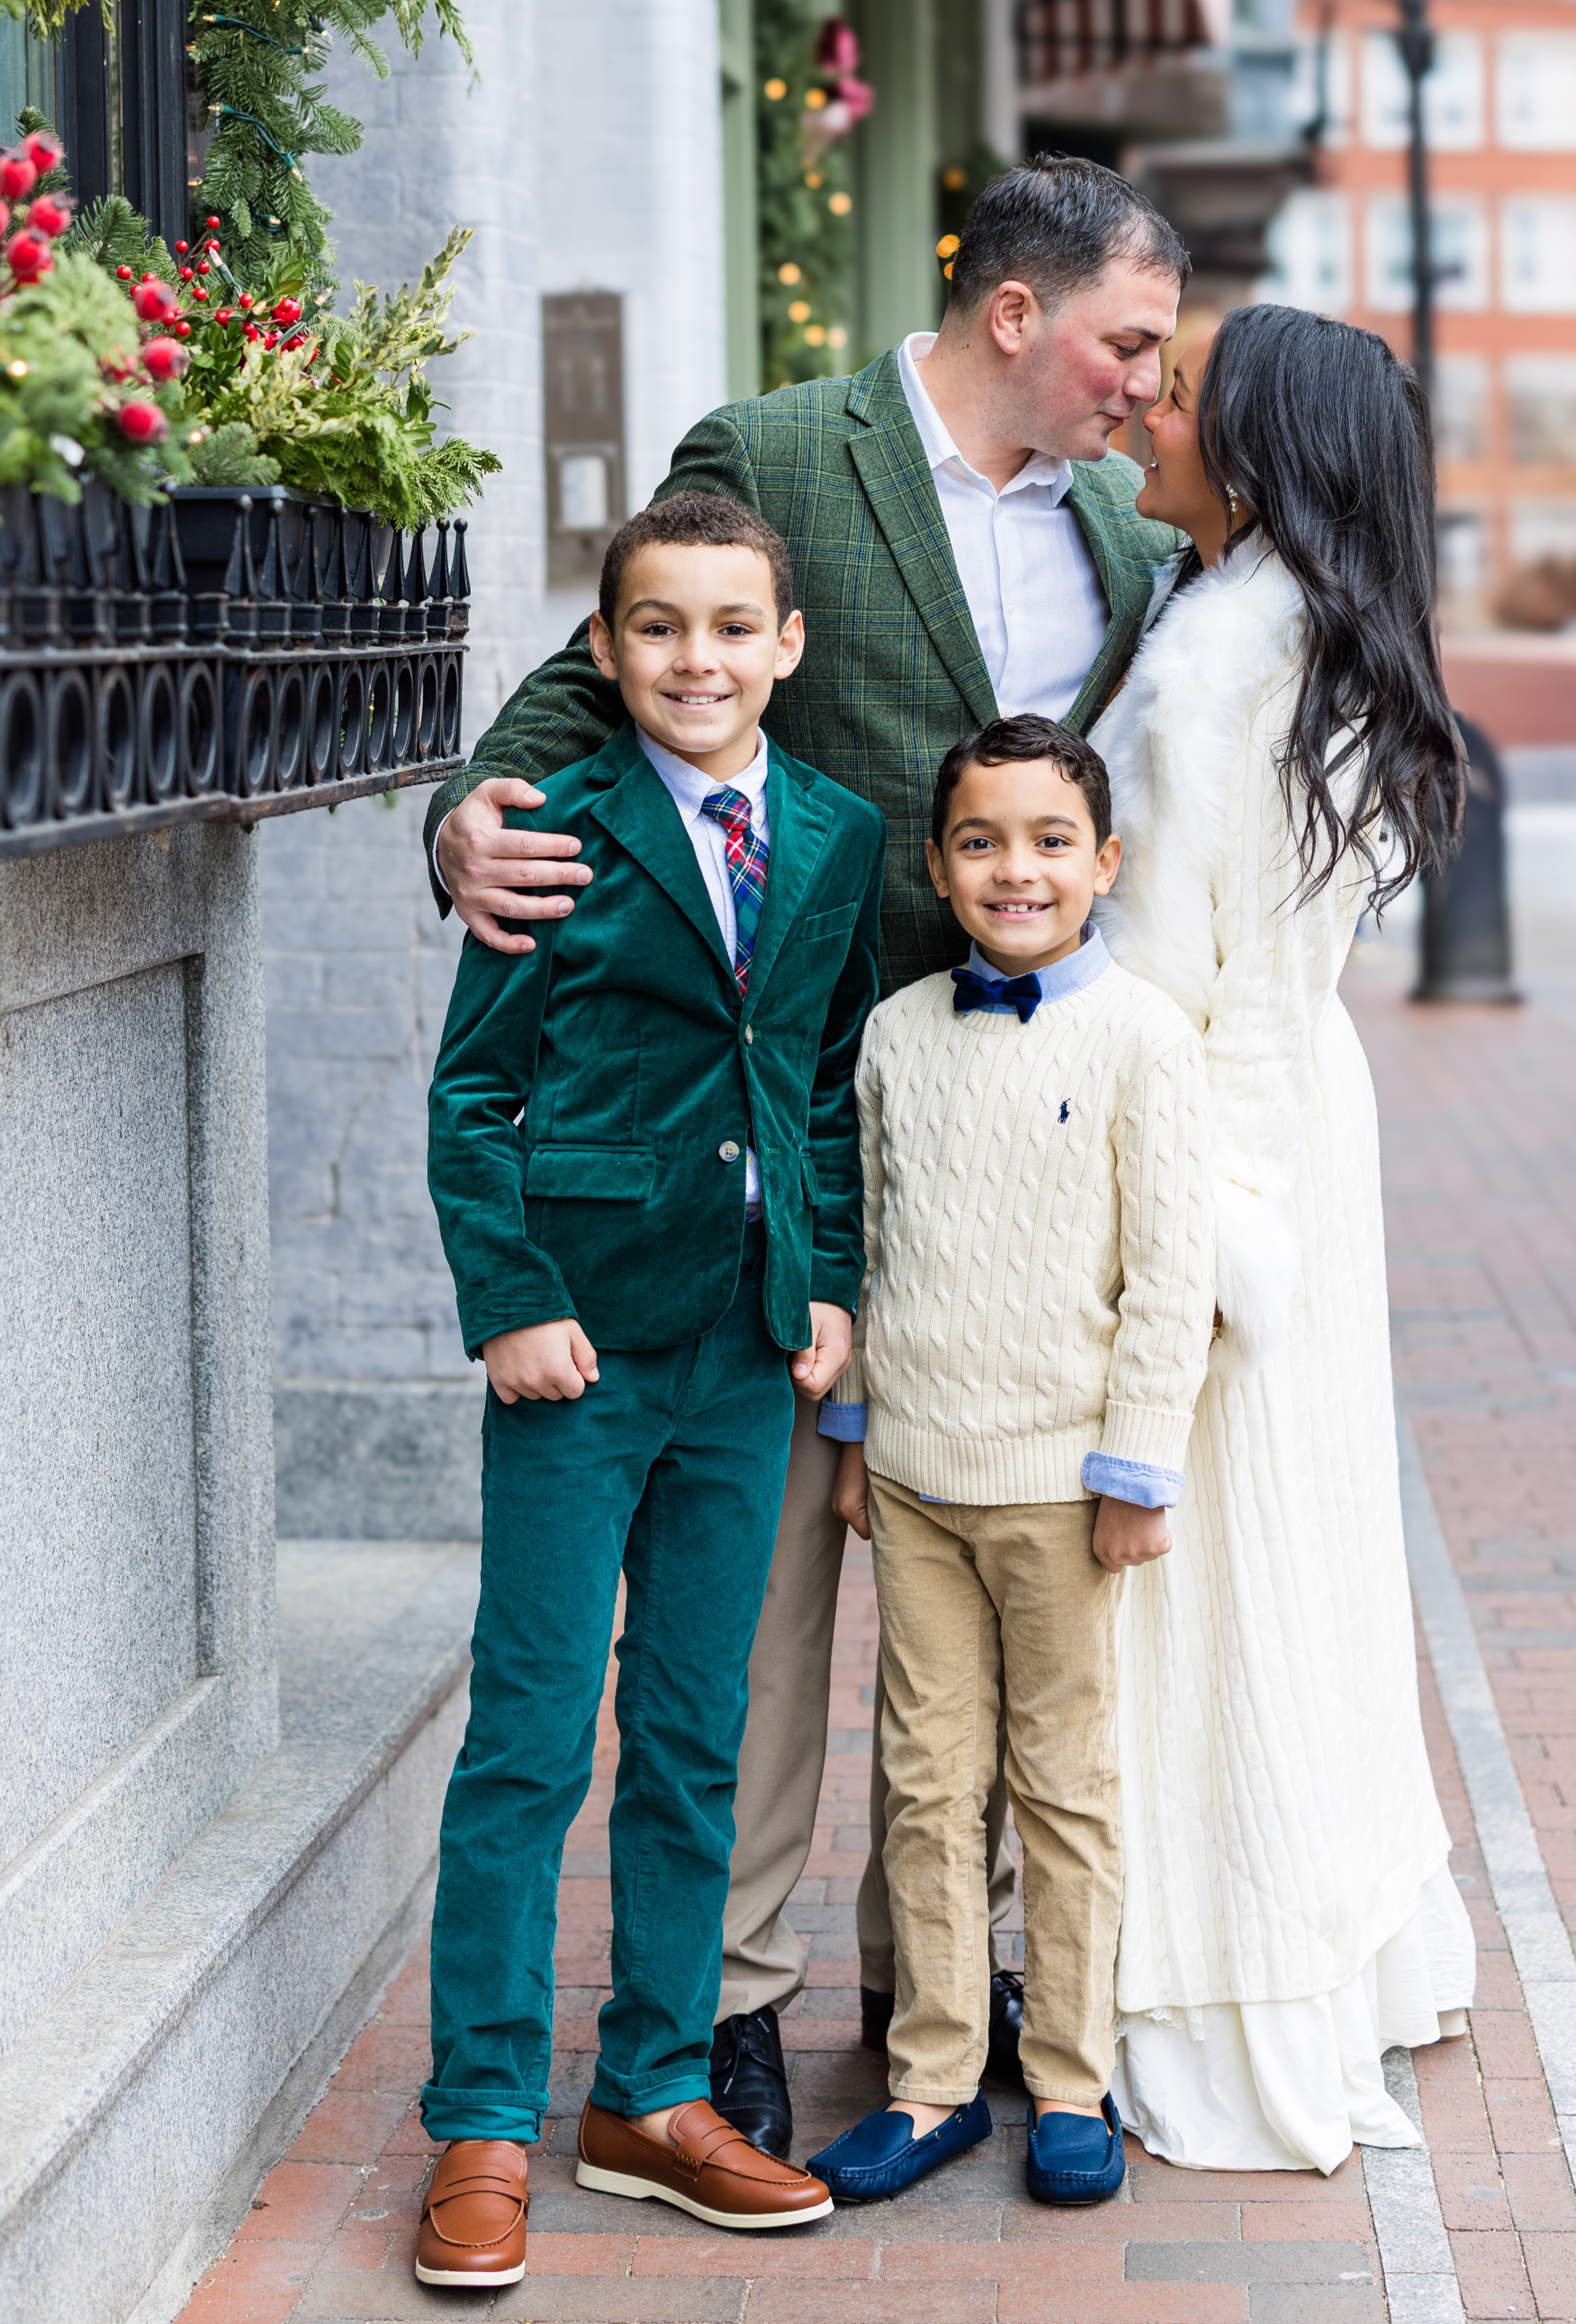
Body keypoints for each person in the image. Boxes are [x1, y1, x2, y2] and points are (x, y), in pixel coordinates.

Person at [424, 158, 1191, 2156]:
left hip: (1015, 1135)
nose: (1144, 382)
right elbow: (587, 678)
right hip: (782, 1101)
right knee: (753, 1611)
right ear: (1017, 314)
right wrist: (462, 821)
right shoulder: (776, 450)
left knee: (997, 1570)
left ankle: (961, 1994)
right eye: (1124, 340)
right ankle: (725, 2008)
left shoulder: (1122, 517)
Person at [413, 492, 884, 2287]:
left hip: (744, 1355)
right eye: (656, 628)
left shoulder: (832, 836)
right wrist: (508, 1300)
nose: (695, 659)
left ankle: (655, 2093)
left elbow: (819, 1081)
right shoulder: (553, 827)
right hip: (580, 1354)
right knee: (530, 1744)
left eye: (727, 627)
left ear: (784, 647)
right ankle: (477, 2120)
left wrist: (826, 1278)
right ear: (603, 653)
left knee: (694, 1735)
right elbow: (472, 1093)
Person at [1085, 302, 1478, 2174]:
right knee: (1303, 1555)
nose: (1139, 417)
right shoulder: (1313, 632)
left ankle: (1219, 1981)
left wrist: (1167, 1236)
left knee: (1205, 1579)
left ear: (1253, 447)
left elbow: (1156, 965)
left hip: (1213, 1139)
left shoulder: (1217, 648)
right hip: (1298, 1121)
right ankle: (1340, 1939)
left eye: (1173, 395)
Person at [803, 716, 1215, 2211]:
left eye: (1051, 842)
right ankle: (930, 2082)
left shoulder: (1144, 1040)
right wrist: (854, 1443)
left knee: (1064, 1786)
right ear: (938, 864)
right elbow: (878, 1248)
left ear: (1105, 863)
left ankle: (1069, 2079)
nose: (1015, 870)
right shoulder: (897, 1032)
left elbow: (1172, 1275)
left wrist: (1137, 1470)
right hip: (916, 1473)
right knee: (925, 1781)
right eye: (980, 841)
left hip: (1060, 1488)